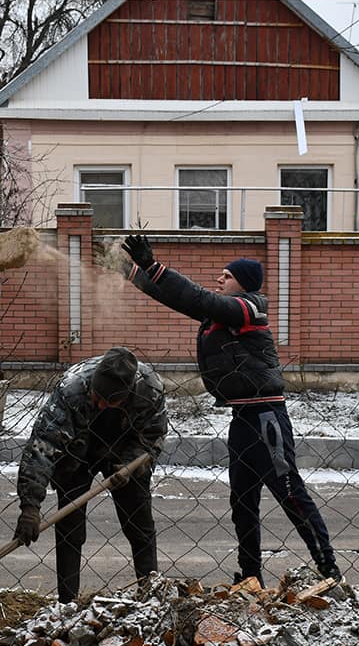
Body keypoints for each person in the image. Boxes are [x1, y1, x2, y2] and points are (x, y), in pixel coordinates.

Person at [122, 237, 341, 587]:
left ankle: (328, 567)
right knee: (242, 501)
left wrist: (154, 266)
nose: (219, 278)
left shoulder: (250, 308)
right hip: (241, 420)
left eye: (226, 275)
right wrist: (133, 272)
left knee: (289, 493)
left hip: (266, 417)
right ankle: (251, 575)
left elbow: (198, 297)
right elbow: (180, 299)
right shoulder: (221, 313)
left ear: (244, 283)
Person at [13, 346, 166, 602]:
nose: (101, 404)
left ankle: (150, 598)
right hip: (76, 453)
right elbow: (43, 445)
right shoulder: (72, 388)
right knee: (70, 527)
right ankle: (67, 604)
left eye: (110, 401)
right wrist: (30, 505)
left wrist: (129, 466)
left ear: (126, 395)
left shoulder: (149, 389)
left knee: (139, 524)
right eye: (97, 397)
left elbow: (152, 438)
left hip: (125, 449)